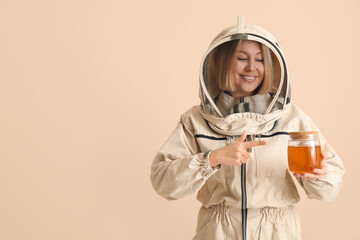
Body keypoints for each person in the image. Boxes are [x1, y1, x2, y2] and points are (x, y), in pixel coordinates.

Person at [150, 17, 344, 239]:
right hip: (217, 232)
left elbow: (329, 190)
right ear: (222, 63)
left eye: (260, 60)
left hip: (277, 233)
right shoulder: (195, 121)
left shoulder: (292, 120)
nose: (252, 67)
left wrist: (320, 176)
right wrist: (212, 158)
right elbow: (162, 181)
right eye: (241, 58)